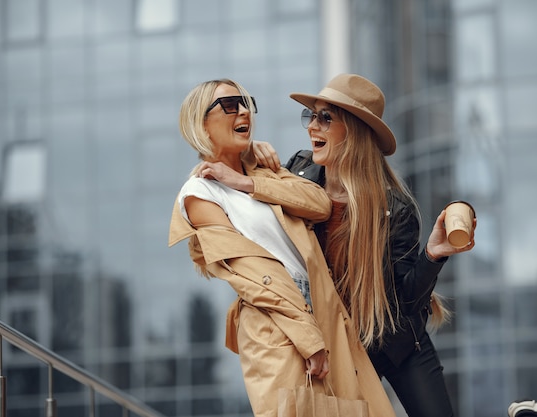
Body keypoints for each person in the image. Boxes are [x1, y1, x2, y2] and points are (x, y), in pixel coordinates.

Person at [167, 78, 396, 417]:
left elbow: (319, 203)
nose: (244, 110)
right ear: (201, 123)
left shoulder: (264, 173)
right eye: (230, 105)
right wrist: (308, 338)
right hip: (275, 321)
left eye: (246, 102)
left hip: (322, 310)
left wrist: (248, 181)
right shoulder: (198, 194)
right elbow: (255, 274)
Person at [253, 73, 477, 417]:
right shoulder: (297, 172)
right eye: (311, 116)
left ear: (354, 131)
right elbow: (254, 208)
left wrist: (432, 256)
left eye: (326, 118)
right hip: (338, 343)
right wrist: (251, 157)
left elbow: (402, 304)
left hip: (396, 341)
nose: (313, 126)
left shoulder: (396, 211)